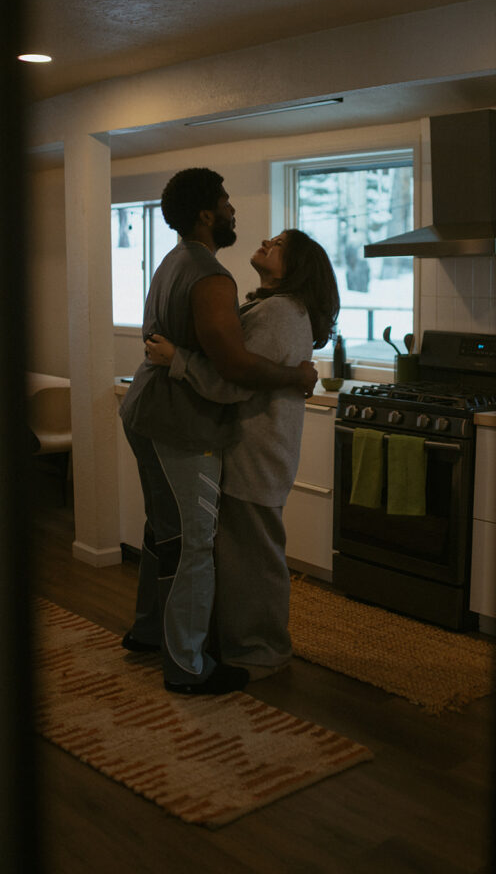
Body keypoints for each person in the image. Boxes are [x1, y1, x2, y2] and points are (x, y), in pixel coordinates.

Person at [119, 169, 318, 696]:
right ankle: (187, 665)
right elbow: (236, 369)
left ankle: (147, 632)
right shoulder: (212, 276)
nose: (235, 211)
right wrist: (299, 376)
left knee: (163, 531)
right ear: (207, 213)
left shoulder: (173, 260)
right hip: (179, 422)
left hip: (145, 410)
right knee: (192, 545)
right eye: (227, 201)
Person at [145, 228, 339, 681]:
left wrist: (176, 359)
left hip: (258, 450)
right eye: (271, 239)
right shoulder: (271, 307)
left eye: (279, 246)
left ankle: (263, 654)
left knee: (255, 561)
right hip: (256, 448)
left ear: (297, 268)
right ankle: (243, 647)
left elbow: (232, 381)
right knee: (244, 556)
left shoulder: (279, 313)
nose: (267, 243)